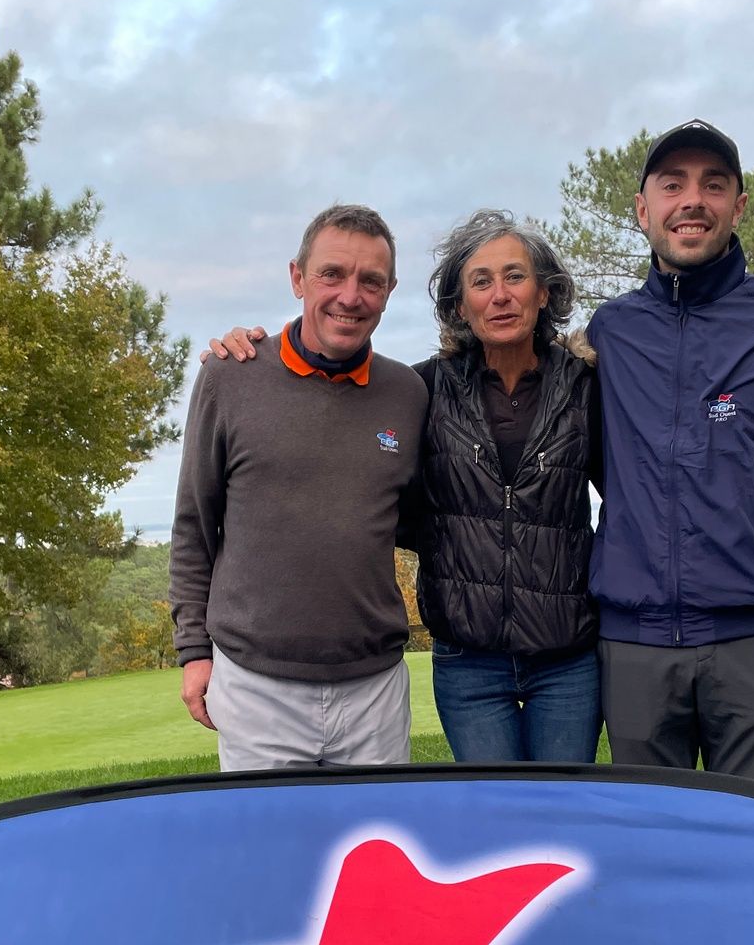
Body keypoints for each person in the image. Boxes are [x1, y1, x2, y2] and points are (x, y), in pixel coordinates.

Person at [206, 210, 603, 762]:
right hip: (468, 656)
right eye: (481, 281)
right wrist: (255, 357)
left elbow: (630, 497)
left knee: (564, 807)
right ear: (459, 305)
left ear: (544, 292)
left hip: (567, 655)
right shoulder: (424, 389)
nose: (500, 295)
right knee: (490, 808)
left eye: (515, 276)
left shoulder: (587, 387)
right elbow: (389, 501)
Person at [589, 120, 754, 783]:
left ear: (738, 207)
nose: (692, 200)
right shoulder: (610, 332)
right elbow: (599, 460)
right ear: (643, 209)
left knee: (748, 829)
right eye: (672, 185)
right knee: (650, 829)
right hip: (633, 640)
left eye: (713, 185)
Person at [168, 203, 427, 771]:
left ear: (389, 292)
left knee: (376, 831)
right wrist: (193, 651)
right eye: (332, 274)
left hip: (375, 691)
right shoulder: (229, 375)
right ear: (297, 278)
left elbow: (414, 519)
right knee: (267, 834)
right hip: (255, 688)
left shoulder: (408, 393)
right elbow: (193, 525)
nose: (350, 296)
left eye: (371, 281)